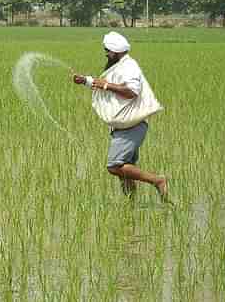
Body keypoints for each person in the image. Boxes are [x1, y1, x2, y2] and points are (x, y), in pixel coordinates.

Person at [71, 32, 168, 201]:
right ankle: (131, 206)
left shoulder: (129, 66)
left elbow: (131, 91)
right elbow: (107, 84)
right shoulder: (119, 65)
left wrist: (106, 85)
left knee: (114, 166)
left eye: (108, 51)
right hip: (125, 126)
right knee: (125, 172)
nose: (106, 54)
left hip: (132, 126)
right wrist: (85, 80)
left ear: (115, 51)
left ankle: (157, 180)